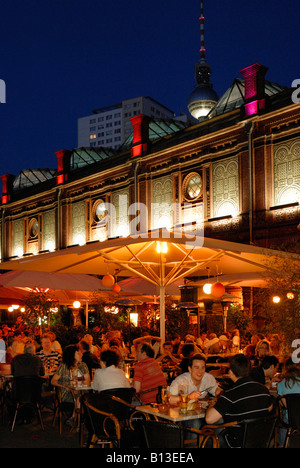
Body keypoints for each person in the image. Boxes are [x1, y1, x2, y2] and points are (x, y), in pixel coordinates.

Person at [205, 354, 273, 448]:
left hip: (236, 442)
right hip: (261, 440)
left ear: (231, 372)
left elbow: (209, 419)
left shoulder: (230, 394)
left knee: (206, 441)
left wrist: (212, 405)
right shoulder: (263, 389)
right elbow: (269, 408)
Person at [277, 357, 300, 446]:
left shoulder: (281, 384)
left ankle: (283, 443)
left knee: (285, 413)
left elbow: (287, 405)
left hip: (292, 419)